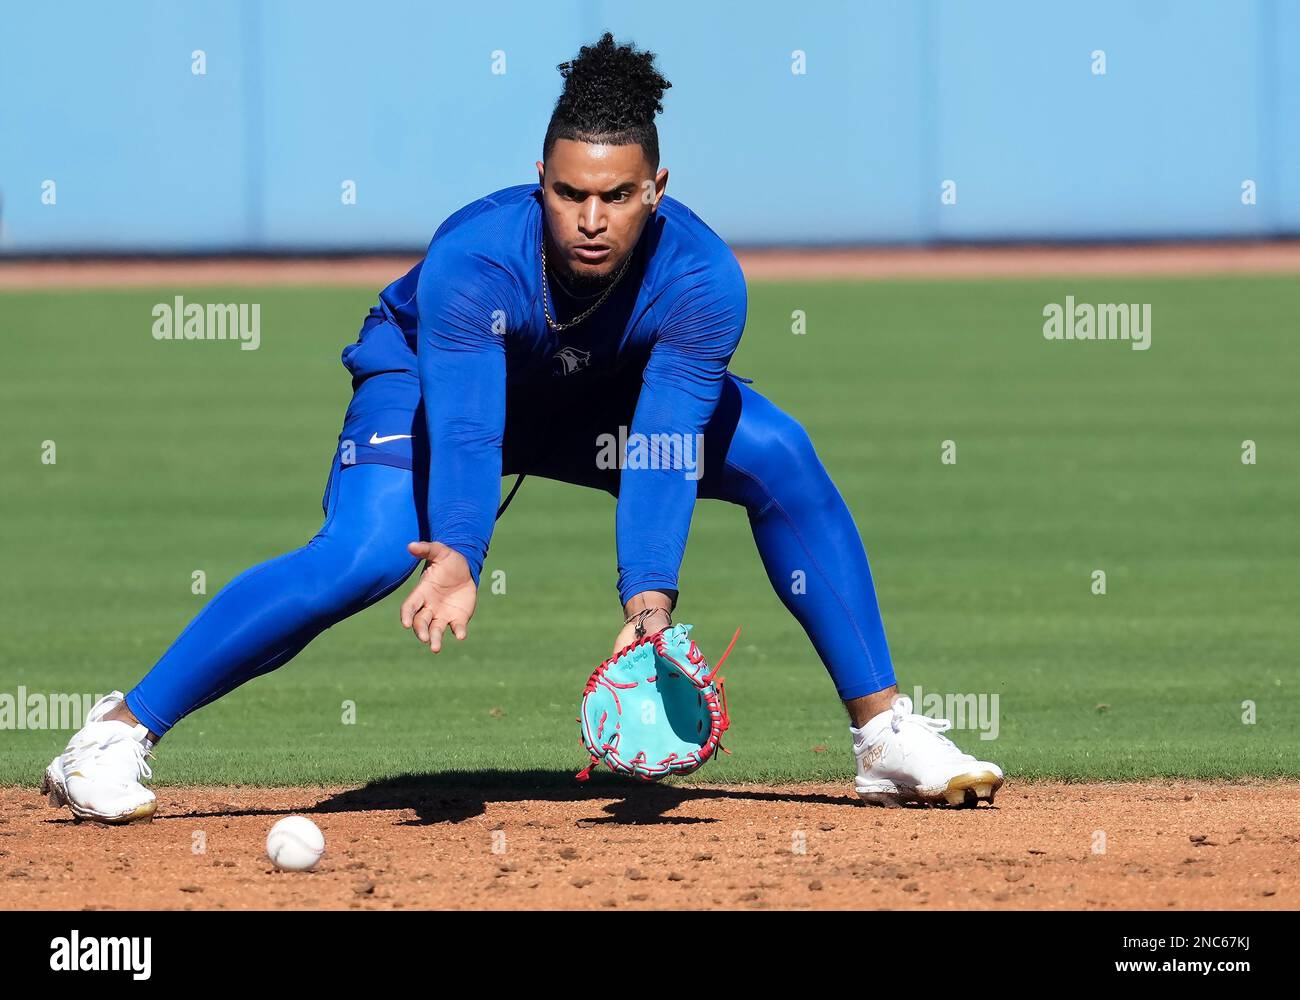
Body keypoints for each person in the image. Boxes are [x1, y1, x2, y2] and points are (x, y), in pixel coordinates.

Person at [43, 33, 1002, 824]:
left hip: (597, 405)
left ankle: (884, 737)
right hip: (427, 380)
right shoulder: (474, 260)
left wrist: (648, 608)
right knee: (367, 555)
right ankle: (114, 735)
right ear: (537, 177)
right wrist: (457, 553)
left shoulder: (704, 281)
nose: (592, 217)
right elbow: (467, 428)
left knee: (780, 456)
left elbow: (664, 444)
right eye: (569, 193)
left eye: (617, 196)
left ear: (656, 188)